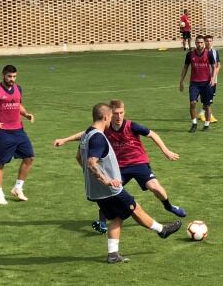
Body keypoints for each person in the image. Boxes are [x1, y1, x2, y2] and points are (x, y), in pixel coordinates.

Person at [54, 99, 187, 234]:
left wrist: (166, 151)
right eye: (116, 113)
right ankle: (103, 223)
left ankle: (169, 207)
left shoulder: (131, 126)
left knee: (155, 187)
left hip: (138, 163)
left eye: (121, 113)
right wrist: (65, 140)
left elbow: (152, 134)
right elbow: (85, 133)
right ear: (110, 115)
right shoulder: (104, 128)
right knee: (111, 193)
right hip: (119, 167)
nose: (119, 117)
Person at [76, 103, 181, 263]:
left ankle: (113, 255)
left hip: (94, 191)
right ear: (105, 117)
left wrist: (94, 177)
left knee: (117, 217)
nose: (112, 119)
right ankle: (162, 230)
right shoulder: (98, 137)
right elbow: (91, 162)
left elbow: (79, 157)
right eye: (111, 116)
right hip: (109, 190)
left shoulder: (87, 134)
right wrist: (107, 180)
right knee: (135, 208)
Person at [0, 64, 35, 205]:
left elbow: (17, 104)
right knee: (0, 162)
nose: (12, 79)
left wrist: (26, 114)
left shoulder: (18, 88)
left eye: (14, 76)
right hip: (3, 133)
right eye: (9, 76)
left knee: (29, 157)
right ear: (3, 75)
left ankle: (18, 188)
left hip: (19, 130)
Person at [179, 35, 216, 133]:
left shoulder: (209, 54)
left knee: (207, 105)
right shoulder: (190, 54)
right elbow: (185, 67)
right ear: (195, 43)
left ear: (204, 43)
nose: (199, 44)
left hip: (206, 83)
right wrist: (181, 81)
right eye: (197, 42)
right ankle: (194, 124)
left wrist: (213, 78)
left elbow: (214, 66)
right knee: (192, 103)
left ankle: (206, 125)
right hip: (194, 83)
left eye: (201, 42)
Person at [200, 35, 220, 124]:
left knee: (211, 97)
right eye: (207, 41)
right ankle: (210, 116)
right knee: (208, 99)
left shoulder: (215, 52)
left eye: (210, 41)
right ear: (204, 42)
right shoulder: (201, 52)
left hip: (214, 78)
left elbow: (218, 64)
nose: (209, 42)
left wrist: (216, 72)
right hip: (204, 79)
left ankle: (201, 113)